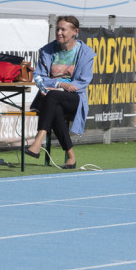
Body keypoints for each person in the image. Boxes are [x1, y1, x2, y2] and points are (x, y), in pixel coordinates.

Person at [25, 15, 95, 168]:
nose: (59, 33)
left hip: (74, 98)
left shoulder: (86, 53)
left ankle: (38, 140)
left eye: (63, 29)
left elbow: (82, 82)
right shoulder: (47, 50)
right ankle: (71, 157)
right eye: (57, 29)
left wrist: (62, 87)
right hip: (50, 97)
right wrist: (59, 83)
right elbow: (38, 77)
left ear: (75, 31)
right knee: (54, 105)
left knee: (53, 97)